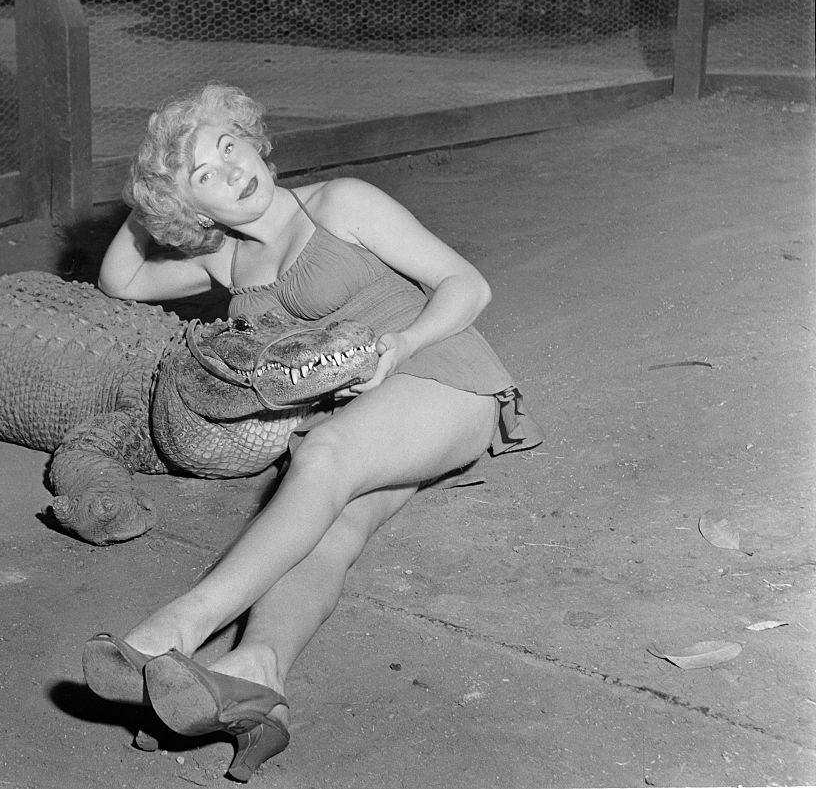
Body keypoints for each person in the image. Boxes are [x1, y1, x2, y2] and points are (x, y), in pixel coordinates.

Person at [82, 84, 542, 782]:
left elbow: (467, 283)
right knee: (330, 533)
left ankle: (182, 624)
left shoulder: (340, 202)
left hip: (441, 372)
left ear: (253, 140)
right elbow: (120, 278)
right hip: (355, 413)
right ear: (192, 209)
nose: (233, 169)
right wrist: (158, 192)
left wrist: (404, 343)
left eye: (230, 145)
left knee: (322, 456)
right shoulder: (224, 261)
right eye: (207, 174)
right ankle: (259, 673)